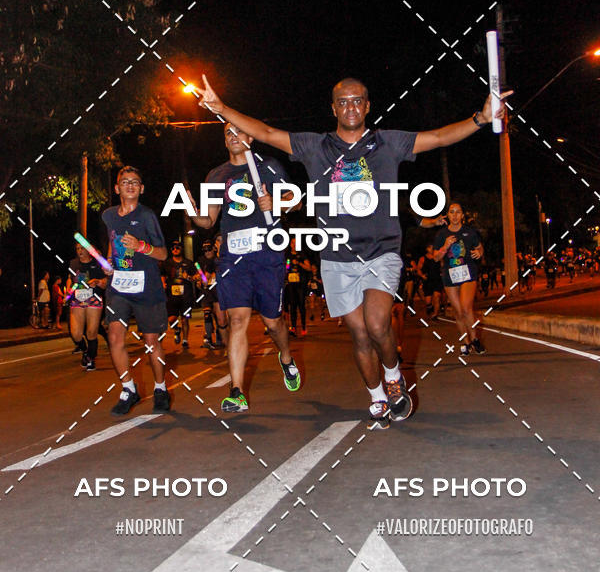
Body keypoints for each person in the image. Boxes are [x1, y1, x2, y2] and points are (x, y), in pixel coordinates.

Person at [195, 75, 509, 429]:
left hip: (381, 252)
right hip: (335, 257)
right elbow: (266, 133)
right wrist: (221, 109)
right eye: (343, 102)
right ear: (334, 108)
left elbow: (436, 137)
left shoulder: (387, 143)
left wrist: (480, 119)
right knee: (359, 333)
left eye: (357, 100)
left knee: (377, 323)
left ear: (368, 105)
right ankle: (376, 396)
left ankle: (392, 375)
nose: (350, 107)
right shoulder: (316, 147)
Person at [187, 124, 301, 412]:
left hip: (267, 253)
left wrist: (276, 203)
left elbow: (296, 201)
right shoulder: (216, 175)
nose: (234, 137)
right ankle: (236, 392)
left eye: (239, 132)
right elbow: (208, 221)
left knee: (272, 322)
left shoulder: (269, 166)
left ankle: (286, 357)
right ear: (224, 142)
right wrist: (191, 212)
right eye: (228, 133)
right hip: (233, 256)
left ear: (250, 137)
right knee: (237, 320)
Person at [102, 166, 170, 415]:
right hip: (119, 286)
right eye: (125, 181)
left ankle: (160, 388)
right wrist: (109, 264)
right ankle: (129, 389)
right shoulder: (109, 216)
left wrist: (141, 246)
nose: (130, 185)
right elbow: (113, 246)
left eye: (135, 181)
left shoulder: (147, 216)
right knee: (115, 336)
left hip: (147, 287)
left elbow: (162, 253)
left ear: (141, 189)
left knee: (151, 341)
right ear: (117, 188)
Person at [433, 202, 484, 355]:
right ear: (447, 215)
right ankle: (466, 342)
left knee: (466, 306)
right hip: (450, 275)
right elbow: (436, 257)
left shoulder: (470, 232)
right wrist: (445, 246)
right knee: (458, 311)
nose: (454, 215)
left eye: (458, 212)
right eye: (451, 212)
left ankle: (474, 339)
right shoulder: (441, 235)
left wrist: (480, 252)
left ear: (462, 215)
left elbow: (480, 246)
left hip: (468, 272)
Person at [66, 242, 108, 369]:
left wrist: (98, 282)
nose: (79, 251)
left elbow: (106, 282)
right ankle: (85, 350)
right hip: (77, 300)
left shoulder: (97, 263)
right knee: (76, 334)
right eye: (77, 248)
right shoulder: (73, 263)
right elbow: (70, 278)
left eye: (82, 248)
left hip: (93, 299)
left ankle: (90, 357)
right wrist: (68, 292)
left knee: (91, 332)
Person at [163, 240, 195, 351]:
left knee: (185, 319)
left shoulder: (189, 263)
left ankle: (185, 341)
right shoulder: (167, 263)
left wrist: (188, 277)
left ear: (181, 249)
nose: (175, 249)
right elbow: (162, 274)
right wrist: (163, 283)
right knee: (171, 319)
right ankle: (177, 329)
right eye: (173, 248)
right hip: (172, 296)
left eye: (177, 247)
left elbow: (196, 277)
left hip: (186, 296)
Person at [286, 237, 311, 336]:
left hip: (301, 284)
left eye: (296, 243)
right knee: (292, 305)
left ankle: (304, 327)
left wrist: (299, 263)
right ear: (290, 244)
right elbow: (286, 267)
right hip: (291, 283)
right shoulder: (287, 255)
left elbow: (309, 267)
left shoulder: (302, 255)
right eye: (292, 243)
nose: (294, 245)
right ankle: (293, 327)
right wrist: (288, 267)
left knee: (301, 305)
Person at [418, 244, 443, 318]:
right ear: (427, 249)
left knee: (437, 296)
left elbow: (443, 266)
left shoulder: (438, 257)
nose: (432, 249)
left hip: (437, 280)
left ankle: (435, 314)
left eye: (433, 248)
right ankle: (430, 307)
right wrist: (422, 275)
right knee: (428, 302)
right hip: (428, 281)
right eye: (431, 248)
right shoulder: (423, 258)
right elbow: (418, 269)